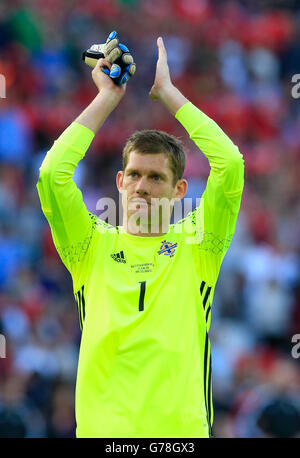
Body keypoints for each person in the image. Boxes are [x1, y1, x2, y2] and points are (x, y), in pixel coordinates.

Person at [37, 34, 244, 438]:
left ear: (179, 190)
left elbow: (230, 164)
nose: (142, 186)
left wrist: (168, 94)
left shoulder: (199, 245)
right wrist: (107, 99)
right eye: (133, 174)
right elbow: (52, 175)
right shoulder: (90, 246)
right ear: (119, 181)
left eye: (155, 177)